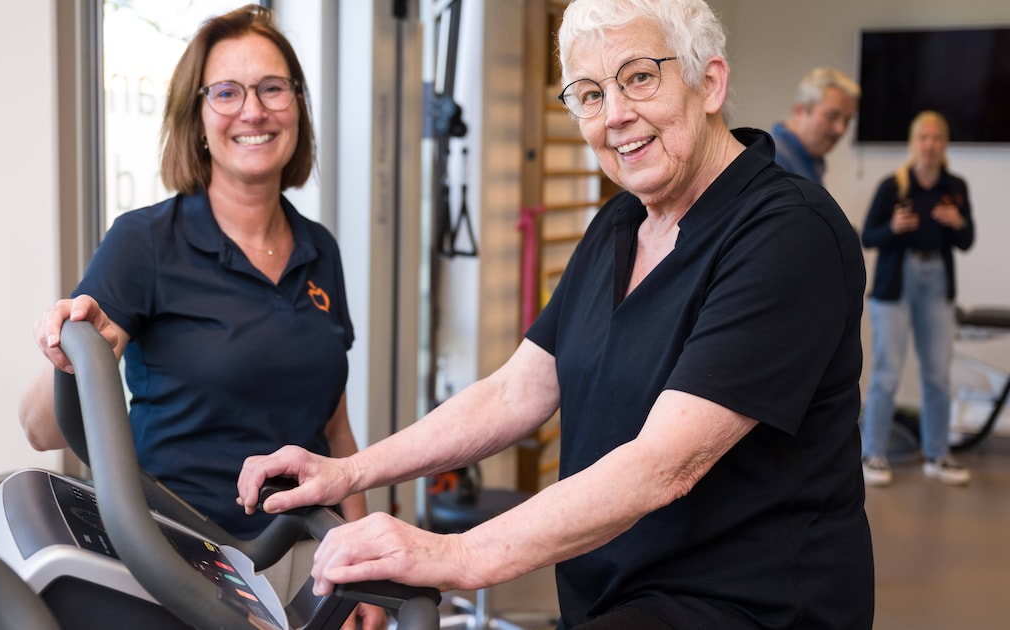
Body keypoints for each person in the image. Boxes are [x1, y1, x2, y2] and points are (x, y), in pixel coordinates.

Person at [237, 0, 874, 628]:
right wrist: (349, 470)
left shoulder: (789, 234)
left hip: (746, 604)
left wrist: (453, 554)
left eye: (640, 77)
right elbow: (516, 391)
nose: (616, 115)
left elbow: (665, 465)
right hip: (612, 593)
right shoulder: (620, 223)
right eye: (589, 95)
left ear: (709, 82)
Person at [20, 6, 383, 626]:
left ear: (296, 104)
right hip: (177, 555)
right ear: (198, 118)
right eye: (227, 92)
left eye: (273, 88)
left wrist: (366, 568)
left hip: (300, 561)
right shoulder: (145, 243)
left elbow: (335, 431)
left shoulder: (321, 249)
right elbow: (40, 428)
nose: (253, 111)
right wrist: (78, 352)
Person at [859, 110, 975, 487]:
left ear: (944, 145)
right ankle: (873, 453)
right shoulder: (893, 185)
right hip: (896, 283)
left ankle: (938, 455)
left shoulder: (954, 187)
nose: (929, 145)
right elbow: (868, 237)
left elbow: (967, 240)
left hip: (937, 282)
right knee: (886, 373)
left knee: (938, 375)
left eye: (936, 138)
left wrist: (958, 223)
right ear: (913, 143)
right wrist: (892, 228)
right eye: (923, 138)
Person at [771, 67, 860, 186]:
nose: (841, 129)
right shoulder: (773, 160)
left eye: (847, 120)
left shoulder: (811, 158)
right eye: (832, 116)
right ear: (799, 110)